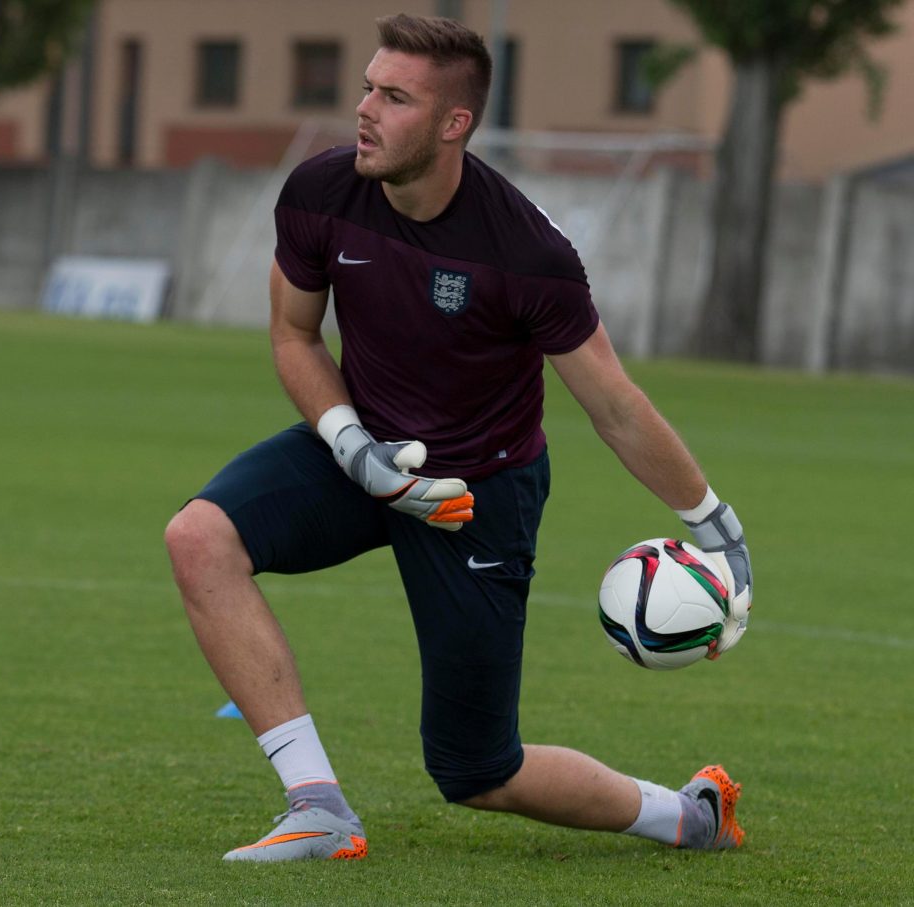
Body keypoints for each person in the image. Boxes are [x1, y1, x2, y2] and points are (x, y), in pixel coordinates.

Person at [164, 12, 753, 863]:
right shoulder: (321, 191)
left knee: (477, 769)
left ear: (454, 124)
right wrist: (354, 446)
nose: (365, 108)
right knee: (198, 537)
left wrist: (715, 524)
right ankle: (318, 806)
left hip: (479, 493)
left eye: (394, 97)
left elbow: (616, 405)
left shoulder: (527, 254)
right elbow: (294, 336)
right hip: (356, 449)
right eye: (368, 86)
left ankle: (689, 815)